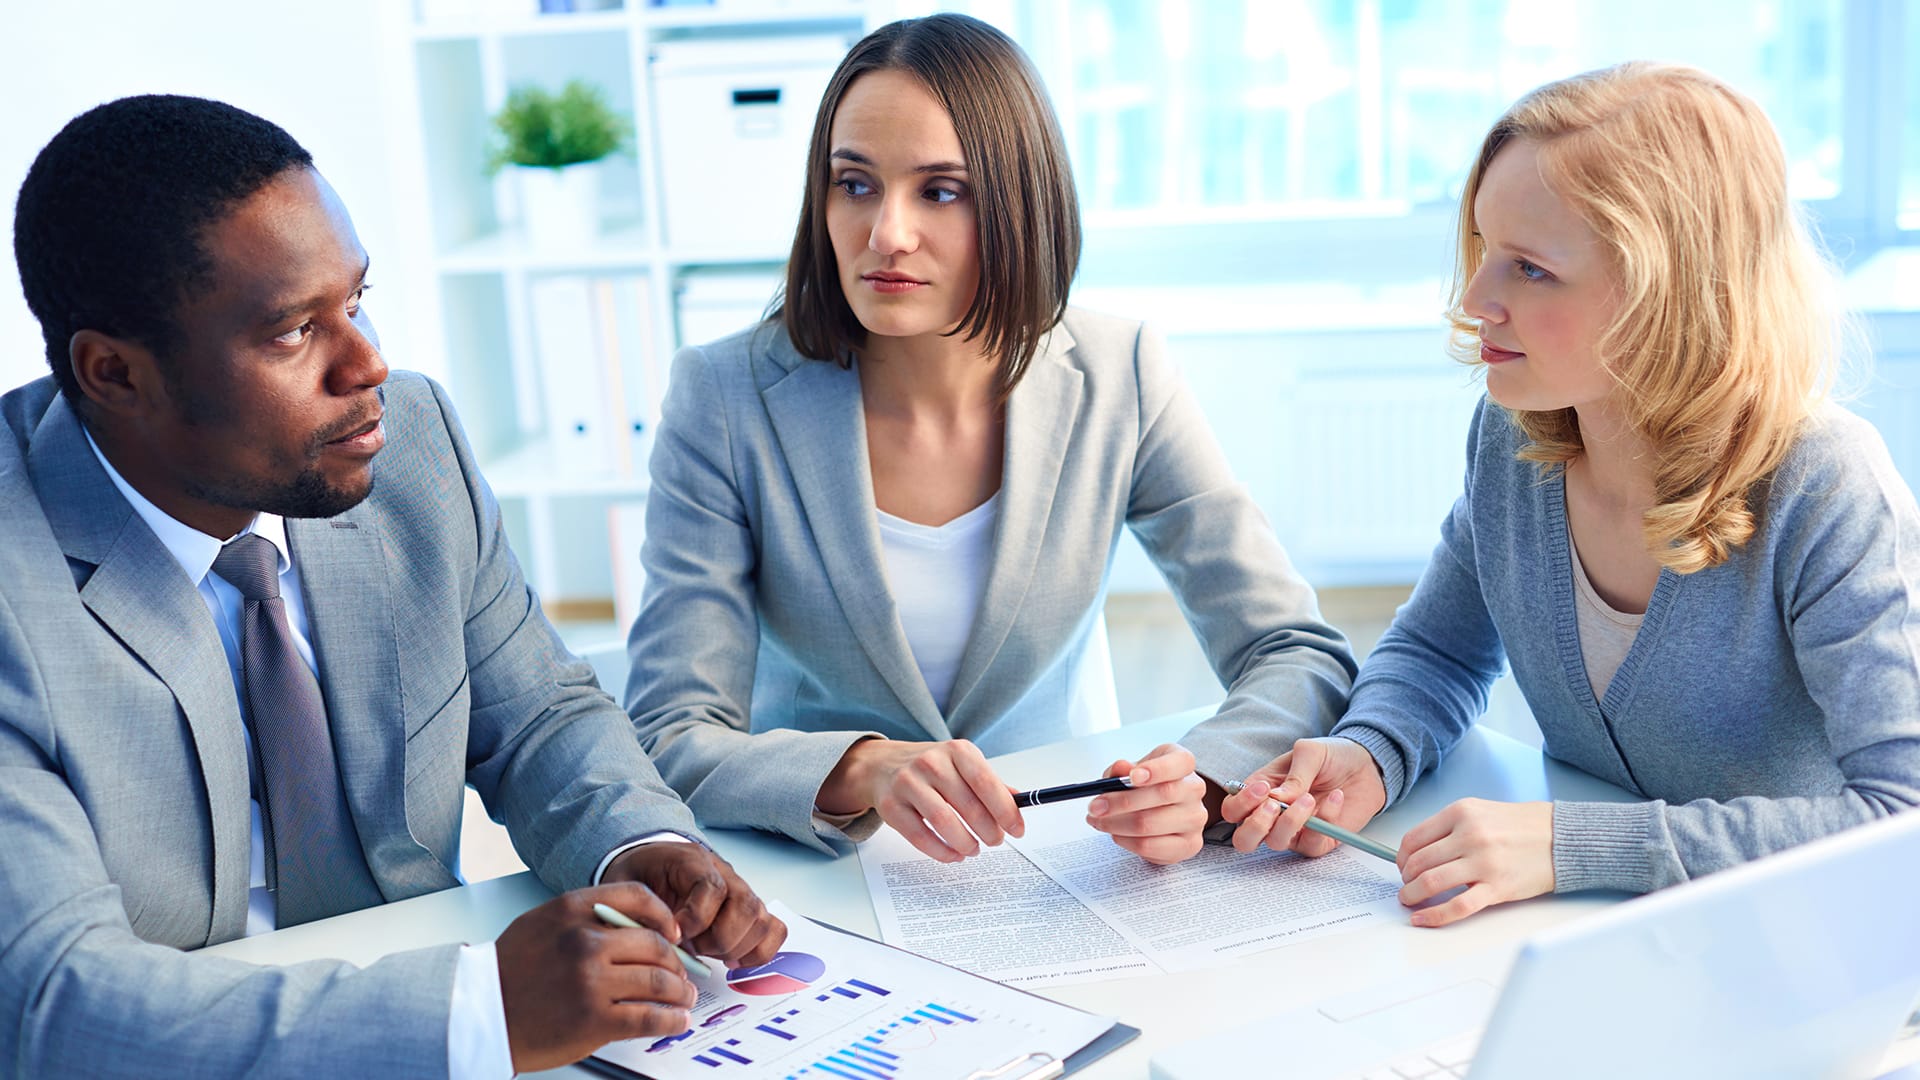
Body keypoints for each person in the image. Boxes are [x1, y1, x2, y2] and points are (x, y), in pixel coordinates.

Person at [0, 95, 785, 1077]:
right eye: (293, 332)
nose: (369, 364)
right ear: (113, 373)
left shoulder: (407, 440)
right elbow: (52, 1002)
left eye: (357, 302)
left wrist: (637, 845)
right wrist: (477, 1017)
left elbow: (537, 714)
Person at [625, 13, 1356, 865]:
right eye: (854, 183)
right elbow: (671, 731)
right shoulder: (724, 396)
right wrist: (860, 768)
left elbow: (1294, 650)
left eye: (941, 191)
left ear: (1017, 204)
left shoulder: (1122, 371)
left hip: (1068, 853)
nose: (885, 233)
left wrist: (1207, 779)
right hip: (825, 868)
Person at [1210, 63, 1920, 927]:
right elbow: (1438, 652)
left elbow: (1901, 821)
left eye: (1531, 269)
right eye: (1483, 251)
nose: (1476, 301)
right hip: (1603, 939)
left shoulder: (1826, 484)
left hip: (1805, 953)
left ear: (1671, 293)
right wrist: (1370, 752)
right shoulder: (1515, 438)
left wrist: (1567, 846)